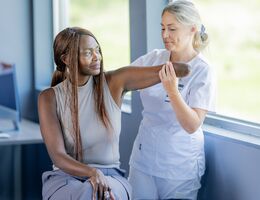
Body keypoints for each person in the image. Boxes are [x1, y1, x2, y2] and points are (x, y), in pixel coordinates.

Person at [38, 27, 189, 200]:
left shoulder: (114, 82)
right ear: (66, 59)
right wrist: (92, 173)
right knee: (90, 192)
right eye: (88, 53)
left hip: (112, 177)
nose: (97, 57)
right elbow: (58, 156)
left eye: (97, 50)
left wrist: (181, 54)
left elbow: (181, 69)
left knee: (96, 193)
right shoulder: (48, 98)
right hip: (64, 179)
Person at [128, 0, 216, 200]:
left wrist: (173, 91)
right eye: (162, 28)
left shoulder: (203, 70)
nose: (165, 35)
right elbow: (122, 79)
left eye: (172, 28)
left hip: (180, 165)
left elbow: (192, 124)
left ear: (192, 29)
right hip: (144, 158)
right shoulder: (153, 58)